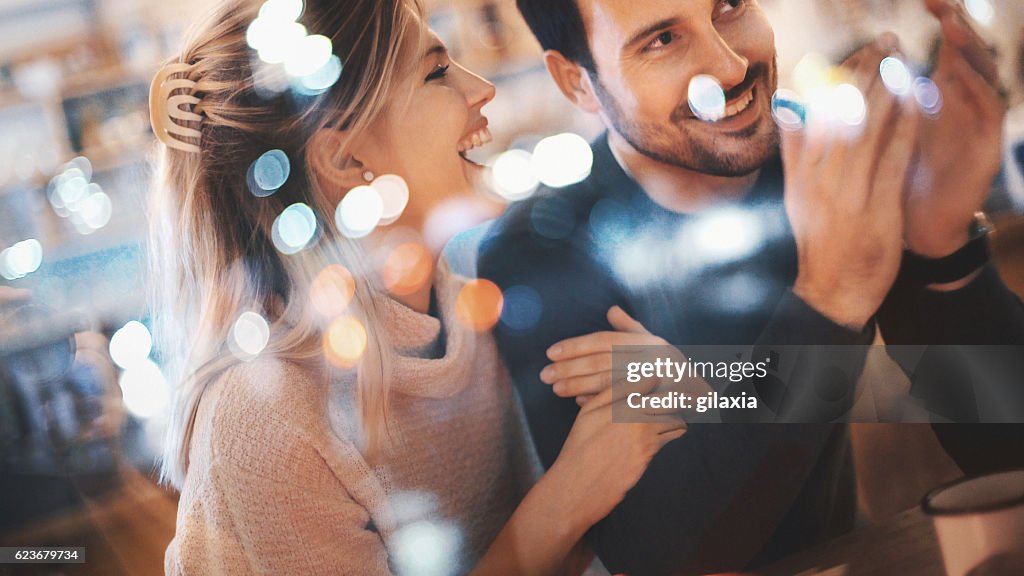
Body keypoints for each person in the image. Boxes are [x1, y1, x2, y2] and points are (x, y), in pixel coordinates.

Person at [478, 0, 1024, 573]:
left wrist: (942, 249)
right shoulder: (542, 255)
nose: (731, 65)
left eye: (730, 6)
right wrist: (828, 300)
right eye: (662, 39)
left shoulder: (821, 164)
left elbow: (1006, 449)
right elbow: (662, 556)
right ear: (578, 81)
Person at [150, 0, 687, 573]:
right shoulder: (263, 419)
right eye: (436, 72)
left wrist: (685, 385)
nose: (482, 90)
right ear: (345, 155)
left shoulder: (477, 304)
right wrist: (566, 501)